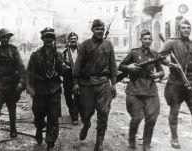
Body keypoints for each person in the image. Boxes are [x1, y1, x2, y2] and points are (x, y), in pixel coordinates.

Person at [73, 19, 117, 151]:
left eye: (102, 29)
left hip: (103, 83)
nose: (100, 31)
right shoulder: (85, 45)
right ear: (92, 30)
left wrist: (113, 84)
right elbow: (77, 66)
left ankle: (99, 142)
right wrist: (75, 83)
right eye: (97, 29)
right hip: (87, 84)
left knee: (104, 113)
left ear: (104, 30)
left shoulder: (108, 45)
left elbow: (113, 66)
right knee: (86, 113)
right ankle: (86, 125)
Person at [119, 30, 164, 151]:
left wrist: (157, 75)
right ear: (141, 40)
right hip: (135, 88)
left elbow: (161, 72)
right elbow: (121, 66)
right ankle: (132, 139)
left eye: (150, 39)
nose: (147, 41)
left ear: (152, 41)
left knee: (152, 118)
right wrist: (129, 67)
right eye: (145, 39)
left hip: (150, 89)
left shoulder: (155, 54)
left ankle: (146, 143)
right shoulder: (134, 53)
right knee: (137, 117)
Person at [0, 28, 26, 150]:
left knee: (11, 108)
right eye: (3, 37)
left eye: (7, 37)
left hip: (10, 85)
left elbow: (21, 68)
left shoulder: (13, 50)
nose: (5, 39)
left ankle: (13, 128)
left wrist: (20, 83)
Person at [26, 27, 63, 151]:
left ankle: (50, 142)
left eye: (51, 37)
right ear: (42, 39)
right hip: (40, 91)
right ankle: (38, 129)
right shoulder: (35, 55)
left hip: (54, 90)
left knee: (53, 117)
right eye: (46, 37)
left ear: (53, 39)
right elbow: (29, 73)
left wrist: (66, 67)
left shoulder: (58, 55)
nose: (48, 39)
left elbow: (62, 71)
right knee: (38, 115)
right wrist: (29, 88)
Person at [160, 18, 192, 149]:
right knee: (174, 111)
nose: (186, 30)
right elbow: (160, 56)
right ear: (179, 30)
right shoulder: (171, 42)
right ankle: (174, 138)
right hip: (175, 82)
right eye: (183, 28)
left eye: (188, 28)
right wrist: (170, 63)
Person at [62, 32, 80, 125]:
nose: (73, 40)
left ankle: (75, 116)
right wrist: (65, 68)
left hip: (78, 76)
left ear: (77, 40)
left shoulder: (81, 51)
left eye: (74, 39)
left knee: (77, 96)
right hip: (68, 76)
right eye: (71, 39)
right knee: (68, 96)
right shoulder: (65, 52)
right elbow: (62, 64)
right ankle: (72, 110)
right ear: (69, 40)